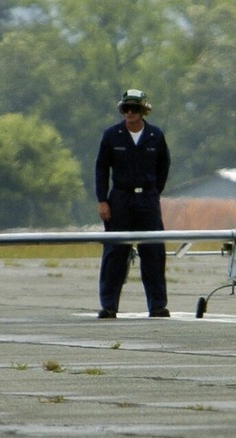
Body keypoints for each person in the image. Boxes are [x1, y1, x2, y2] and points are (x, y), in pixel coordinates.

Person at [95, 89, 171, 318]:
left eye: (134, 109)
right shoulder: (112, 135)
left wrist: (154, 192)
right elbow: (101, 169)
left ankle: (157, 305)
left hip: (147, 198)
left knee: (153, 252)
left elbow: (163, 167)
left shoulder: (155, 136)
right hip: (120, 198)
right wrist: (102, 200)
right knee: (115, 253)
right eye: (126, 108)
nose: (130, 113)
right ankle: (109, 305)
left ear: (143, 110)